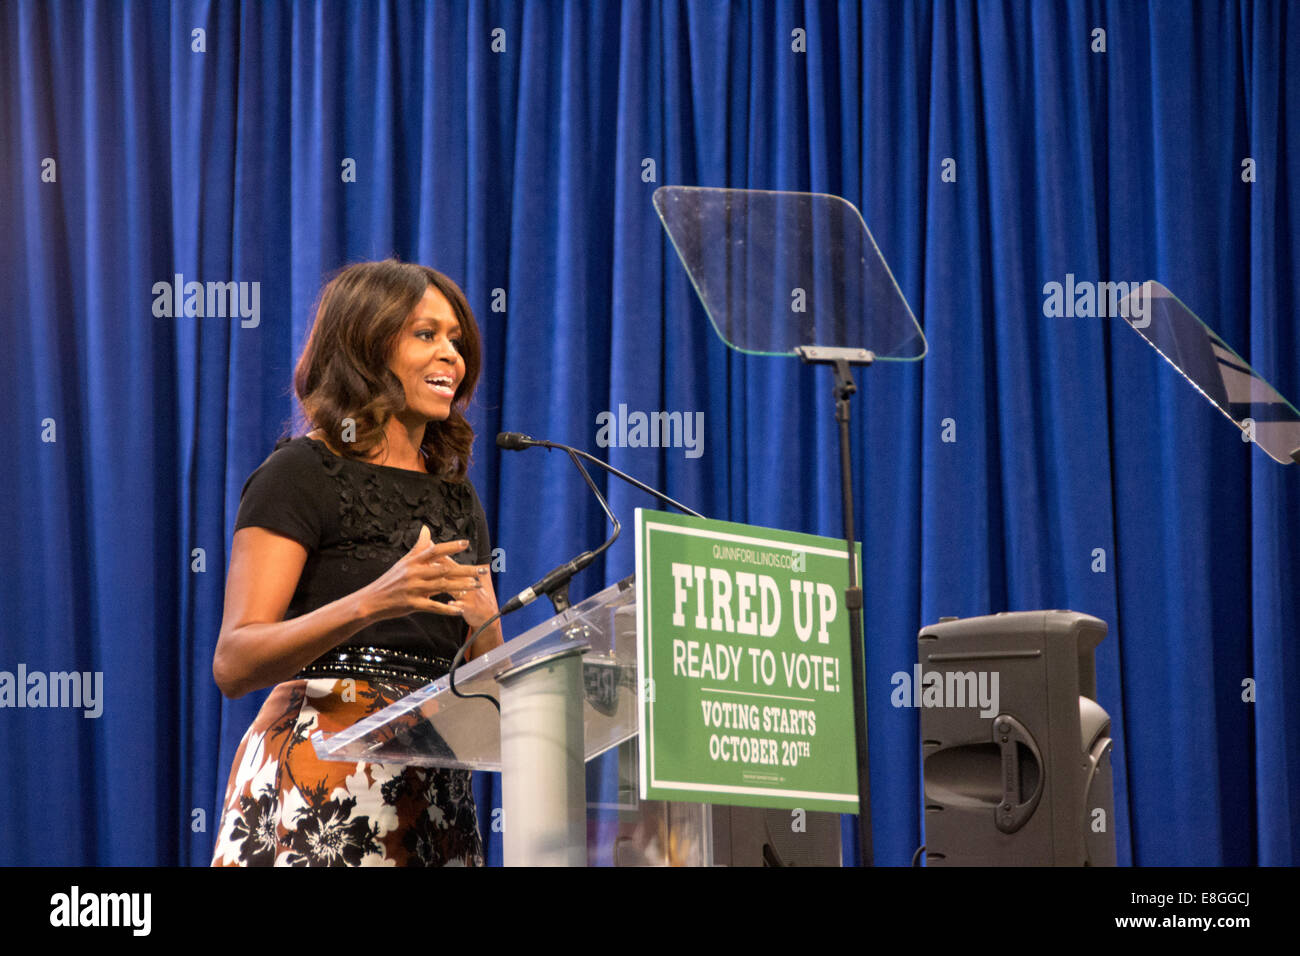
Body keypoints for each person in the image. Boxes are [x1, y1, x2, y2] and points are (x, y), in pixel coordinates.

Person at [210, 259, 503, 866]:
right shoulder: (299, 473)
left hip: (435, 790)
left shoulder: (455, 495)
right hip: (323, 782)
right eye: (426, 335)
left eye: (456, 340)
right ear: (366, 346)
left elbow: (489, 679)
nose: (452, 355)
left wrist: (484, 626)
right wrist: (375, 599)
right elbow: (234, 662)